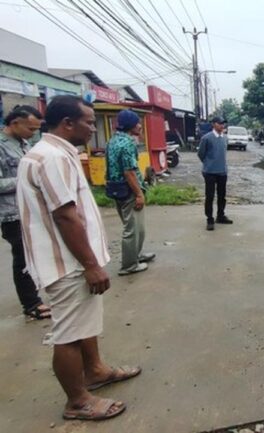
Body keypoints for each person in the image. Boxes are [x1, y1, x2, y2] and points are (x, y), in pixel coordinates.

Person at [16, 95, 140, 421]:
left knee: (84, 324)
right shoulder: (51, 158)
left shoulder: (53, 153)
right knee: (69, 333)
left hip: (72, 260)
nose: (93, 128)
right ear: (67, 123)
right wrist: (90, 264)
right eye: (88, 122)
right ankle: (77, 401)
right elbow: (65, 216)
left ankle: (95, 370)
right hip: (68, 263)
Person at [1, 105, 51, 320]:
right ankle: (31, 303)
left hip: (31, 209)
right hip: (12, 213)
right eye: (31, 129)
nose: (33, 133)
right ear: (15, 123)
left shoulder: (23, 144)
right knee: (22, 257)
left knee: (34, 254)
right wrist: (27, 178)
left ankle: (35, 295)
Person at [106, 110, 155, 276]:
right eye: (137, 123)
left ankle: (136, 255)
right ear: (130, 125)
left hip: (116, 189)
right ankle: (129, 265)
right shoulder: (127, 143)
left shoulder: (112, 140)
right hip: (129, 191)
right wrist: (139, 194)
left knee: (137, 228)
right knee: (132, 229)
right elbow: (129, 172)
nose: (140, 126)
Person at [197, 116, 232, 231]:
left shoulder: (224, 138)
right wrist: (208, 163)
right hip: (210, 172)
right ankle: (210, 219)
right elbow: (201, 154)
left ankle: (220, 215)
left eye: (223, 123)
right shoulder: (206, 138)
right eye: (220, 123)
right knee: (210, 196)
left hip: (222, 171)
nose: (222, 125)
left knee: (222, 196)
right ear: (213, 124)